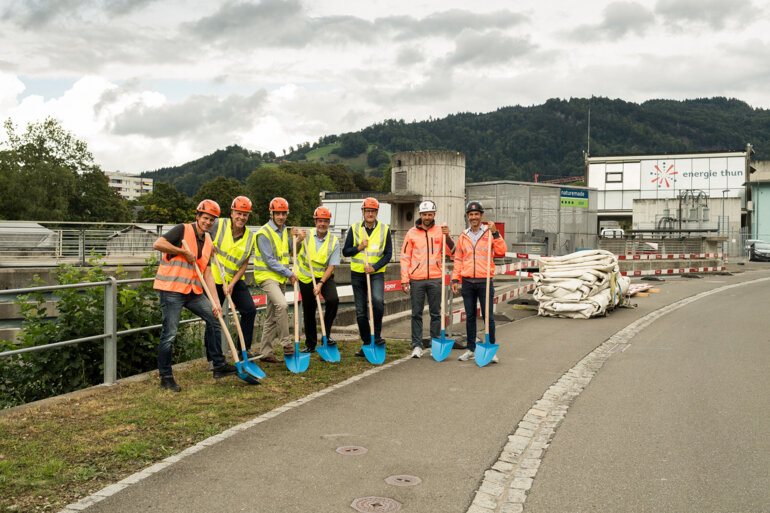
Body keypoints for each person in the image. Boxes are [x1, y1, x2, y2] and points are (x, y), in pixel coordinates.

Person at [153, 199, 237, 392]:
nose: (208, 222)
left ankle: (218, 366)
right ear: (198, 216)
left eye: (212, 220)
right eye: (205, 218)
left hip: (193, 291)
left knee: (215, 319)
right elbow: (158, 244)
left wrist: (216, 303)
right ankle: (166, 378)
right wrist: (183, 252)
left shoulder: (208, 241)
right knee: (170, 335)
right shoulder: (181, 230)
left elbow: (207, 274)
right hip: (172, 289)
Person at [451, 200, 507, 363]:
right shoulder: (463, 235)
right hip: (468, 281)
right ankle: (471, 349)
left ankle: (490, 349)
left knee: (487, 316)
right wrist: (455, 278)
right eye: (471, 214)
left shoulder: (490, 232)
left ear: (481, 216)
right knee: (469, 317)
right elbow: (458, 259)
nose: (474, 217)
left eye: (476, 214)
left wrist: (496, 234)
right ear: (467, 217)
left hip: (485, 281)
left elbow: (501, 251)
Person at [400, 200, 454, 358]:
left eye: (430, 214)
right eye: (424, 214)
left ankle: (435, 344)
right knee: (416, 313)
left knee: (436, 313)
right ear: (420, 215)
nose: (427, 217)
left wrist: (448, 236)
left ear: (434, 214)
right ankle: (416, 346)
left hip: (436, 278)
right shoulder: (411, 233)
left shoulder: (440, 231)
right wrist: (405, 279)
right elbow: (404, 257)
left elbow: (453, 252)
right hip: (416, 279)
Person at [253, 197, 305, 363]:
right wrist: (289, 273)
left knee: (272, 316)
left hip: (279, 278)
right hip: (267, 277)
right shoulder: (264, 233)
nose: (281, 216)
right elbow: (269, 260)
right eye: (278, 213)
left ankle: (266, 352)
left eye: (283, 213)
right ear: (272, 213)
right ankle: (286, 342)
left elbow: (292, 252)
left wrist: (299, 240)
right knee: (282, 305)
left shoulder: (283, 231)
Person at [342, 197, 392, 356]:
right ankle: (366, 342)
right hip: (358, 274)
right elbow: (346, 251)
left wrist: (374, 267)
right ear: (363, 212)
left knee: (377, 302)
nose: (370, 214)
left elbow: (388, 254)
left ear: (377, 212)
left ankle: (376, 337)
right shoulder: (355, 228)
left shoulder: (385, 229)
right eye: (367, 211)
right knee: (361, 311)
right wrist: (359, 247)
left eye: (373, 211)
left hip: (376, 273)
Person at [210, 196, 257, 356]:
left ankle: (244, 349)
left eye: (245, 214)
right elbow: (200, 234)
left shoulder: (251, 237)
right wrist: (208, 248)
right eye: (239, 213)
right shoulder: (218, 224)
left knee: (249, 310)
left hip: (234, 281)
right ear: (232, 213)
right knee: (214, 316)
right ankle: (213, 358)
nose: (241, 217)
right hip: (214, 279)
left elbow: (244, 264)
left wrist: (231, 285)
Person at [297, 206, 340, 353]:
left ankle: (326, 335)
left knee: (333, 300)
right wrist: (297, 240)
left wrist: (321, 283)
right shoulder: (305, 236)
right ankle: (310, 343)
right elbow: (292, 251)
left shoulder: (334, 241)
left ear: (329, 223)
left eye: (325, 221)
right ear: (315, 221)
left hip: (324, 277)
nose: (322, 224)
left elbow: (331, 266)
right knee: (309, 309)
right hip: (306, 277)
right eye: (320, 221)